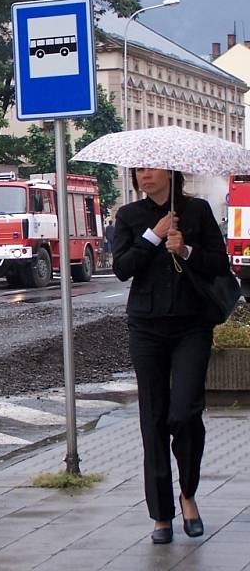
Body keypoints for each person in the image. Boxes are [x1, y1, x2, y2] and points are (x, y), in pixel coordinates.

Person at [112, 167, 230, 545]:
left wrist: (186, 249)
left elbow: (219, 263)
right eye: (138, 172)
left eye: (150, 170)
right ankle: (162, 515)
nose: (143, 176)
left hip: (192, 325)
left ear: (169, 172)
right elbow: (121, 269)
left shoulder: (197, 212)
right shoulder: (130, 217)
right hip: (146, 326)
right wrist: (154, 236)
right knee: (154, 419)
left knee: (185, 413)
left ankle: (188, 493)